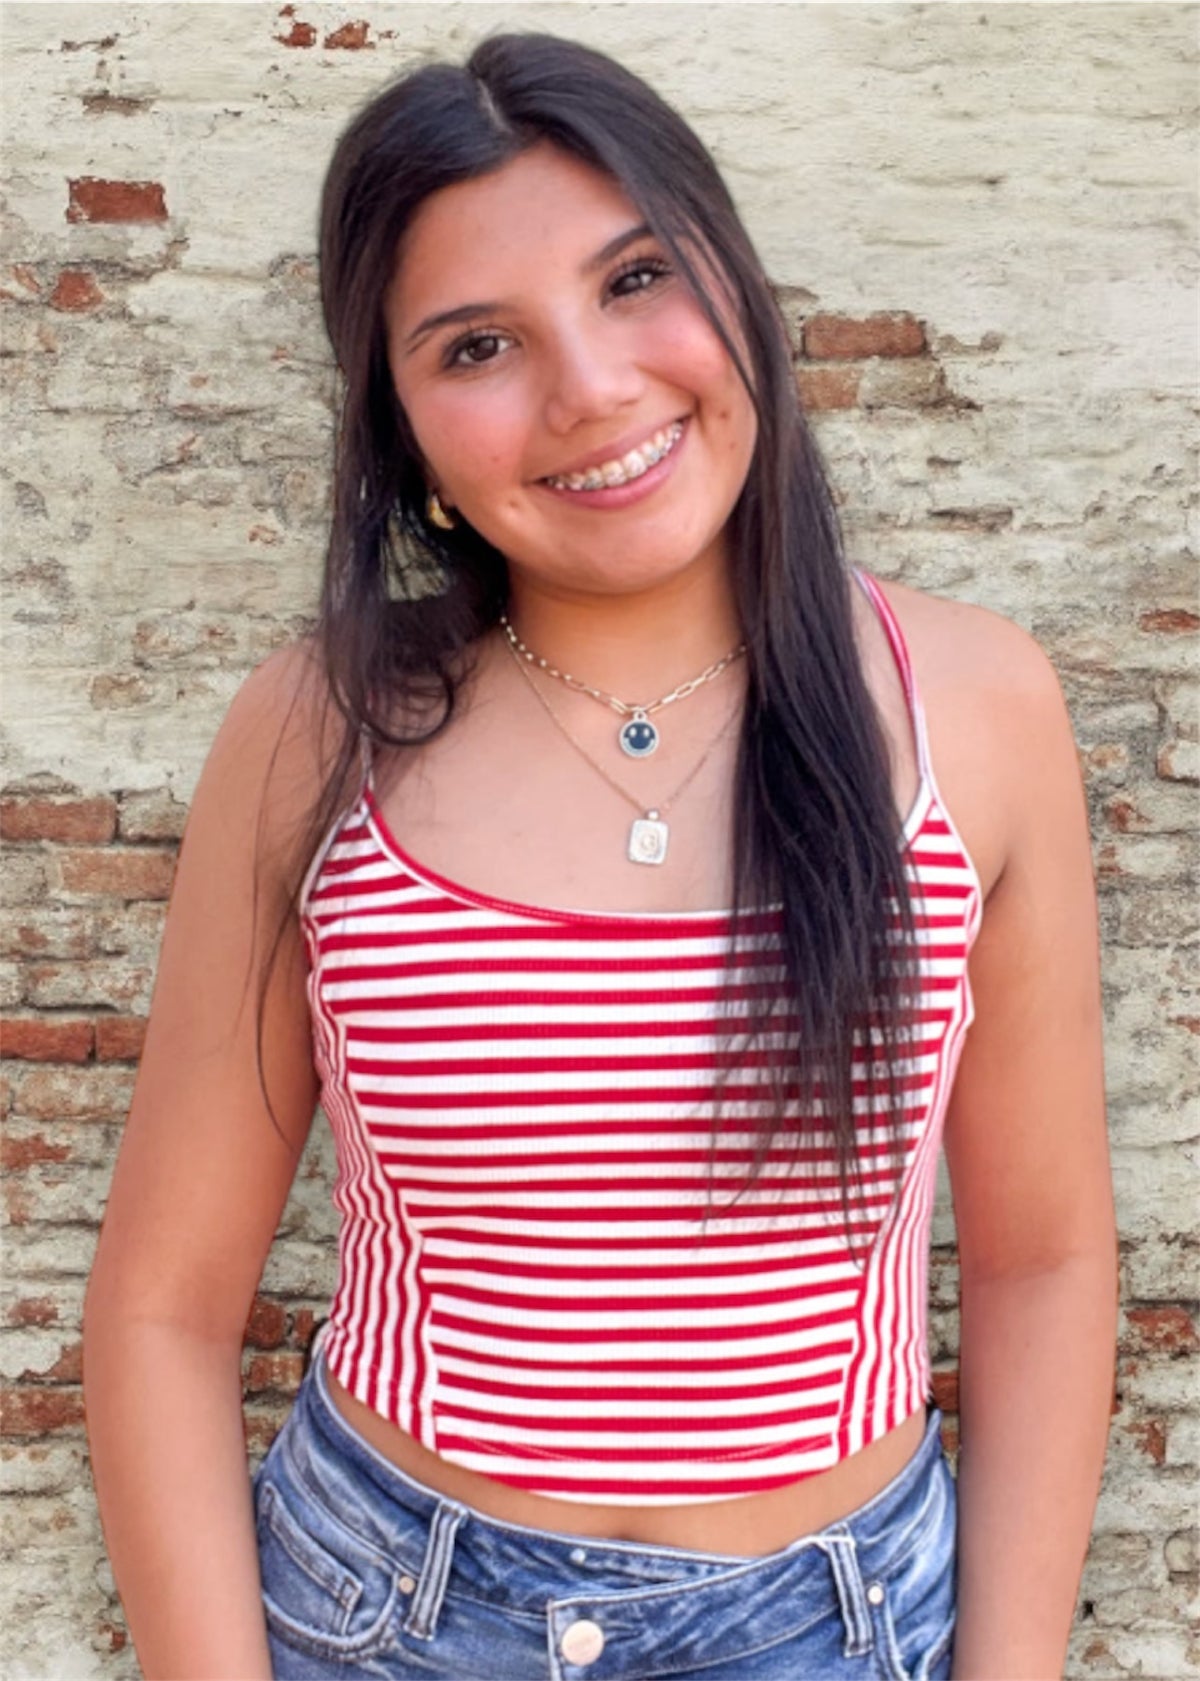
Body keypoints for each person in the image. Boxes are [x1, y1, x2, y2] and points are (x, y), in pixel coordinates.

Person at [82, 32, 1117, 1681]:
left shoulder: (975, 708)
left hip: (840, 1622)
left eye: (635, 278)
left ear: (736, 278)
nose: (590, 389)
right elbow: (159, 1306)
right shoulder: (318, 731)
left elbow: (1047, 1257)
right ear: (403, 428)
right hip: (387, 1613)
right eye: (479, 344)